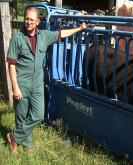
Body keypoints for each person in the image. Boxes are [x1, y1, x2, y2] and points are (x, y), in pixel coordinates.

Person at [6, 6, 87, 155]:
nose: (28, 22)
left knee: (38, 115)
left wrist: (80, 29)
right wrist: (15, 87)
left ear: (37, 21)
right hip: (22, 83)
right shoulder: (17, 39)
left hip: (37, 84)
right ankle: (26, 144)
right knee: (21, 116)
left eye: (31, 19)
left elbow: (62, 33)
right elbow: (11, 65)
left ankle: (14, 137)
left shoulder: (44, 36)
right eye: (26, 19)